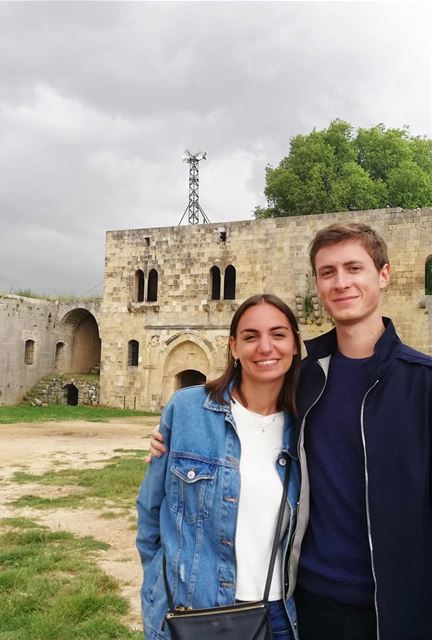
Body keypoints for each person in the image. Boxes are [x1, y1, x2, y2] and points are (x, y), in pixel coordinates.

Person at [149, 222, 432, 640]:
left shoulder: (422, 384)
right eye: (328, 272)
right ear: (317, 283)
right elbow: (243, 406)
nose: (341, 283)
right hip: (308, 604)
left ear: (384, 275)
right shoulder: (304, 380)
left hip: (396, 608)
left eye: (354, 268)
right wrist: (177, 430)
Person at [136, 294, 302, 640]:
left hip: (278, 616)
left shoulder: (308, 424)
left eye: (278, 334)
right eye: (250, 336)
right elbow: (150, 509)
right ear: (233, 347)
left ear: (296, 345)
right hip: (195, 612)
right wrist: (157, 581)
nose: (265, 347)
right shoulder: (187, 410)